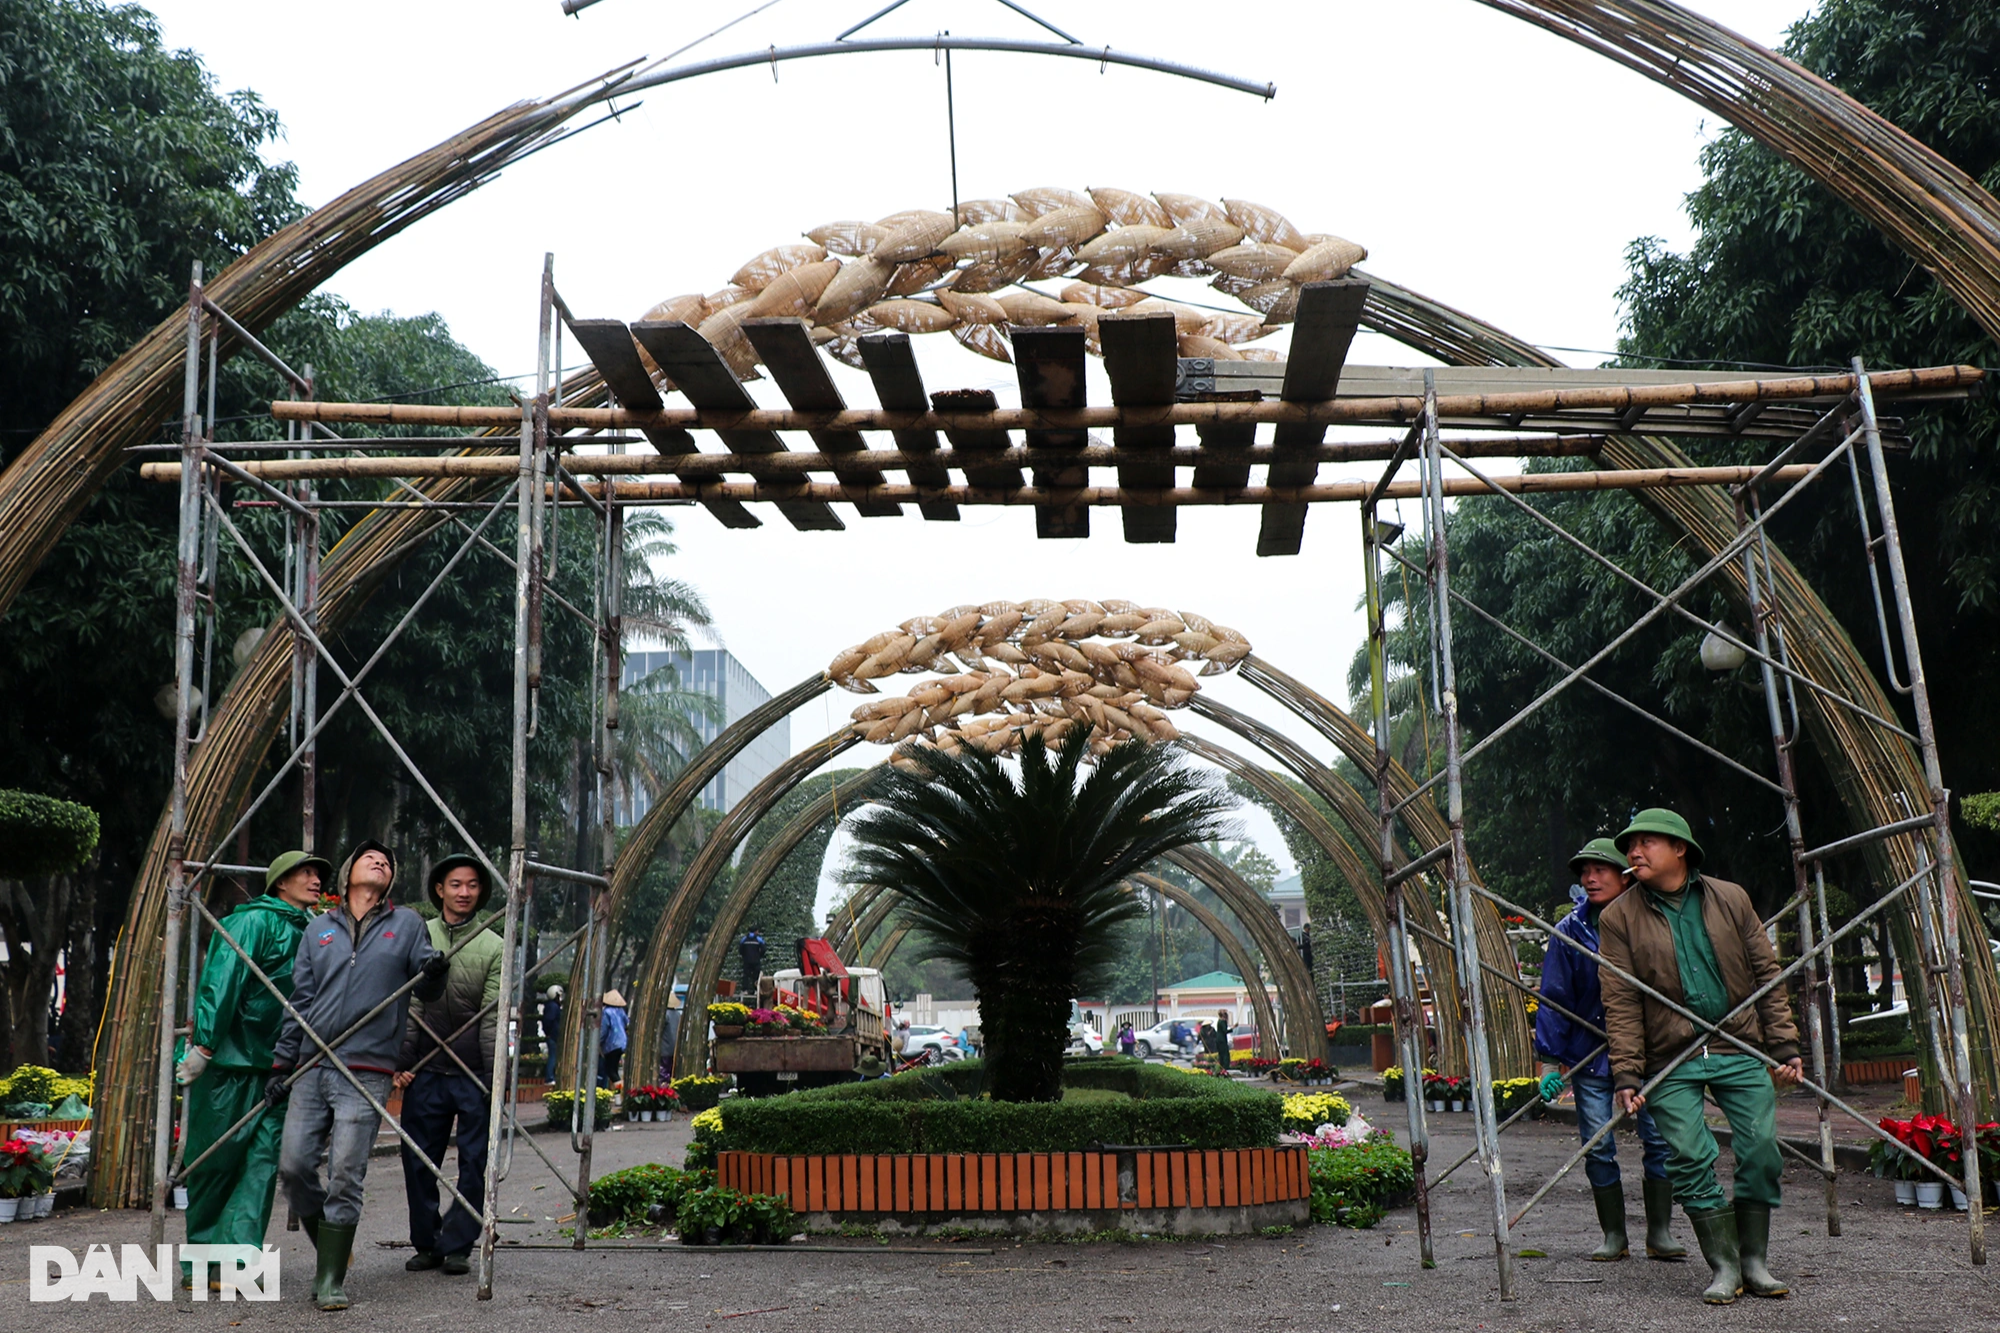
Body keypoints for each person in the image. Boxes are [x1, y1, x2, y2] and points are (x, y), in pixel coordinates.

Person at [1599, 809, 1802, 1305]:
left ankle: (1755, 1260)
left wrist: (1783, 1045)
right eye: (1630, 846)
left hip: (1738, 1044)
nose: (1634, 853)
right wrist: (1626, 1072)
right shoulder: (1617, 917)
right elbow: (1621, 1000)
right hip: (1671, 1058)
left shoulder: (1730, 898)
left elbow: (1767, 975)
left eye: (1646, 843)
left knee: (1760, 1152)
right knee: (1689, 1157)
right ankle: (1725, 1264)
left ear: (1680, 849)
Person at [270, 840, 447, 1311]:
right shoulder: (318, 930)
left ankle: (327, 1278)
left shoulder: (407, 923)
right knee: (293, 1166)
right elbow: (300, 1000)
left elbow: (427, 985)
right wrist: (282, 1063)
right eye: (371, 857)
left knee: (346, 1173)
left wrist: (435, 971)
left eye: (388, 860)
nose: (381, 861)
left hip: (367, 1069)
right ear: (348, 874)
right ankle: (333, 1246)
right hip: (312, 1063)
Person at [174, 850, 328, 1290]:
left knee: (262, 1163)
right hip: (229, 1062)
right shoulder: (254, 921)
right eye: (306, 872)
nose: (315, 879)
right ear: (280, 881)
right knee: (215, 1161)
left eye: (319, 873)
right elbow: (222, 979)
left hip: (280, 1066)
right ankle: (201, 1264)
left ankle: (237, 1261)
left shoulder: (315, 931)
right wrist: (204, 1042)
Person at [1534, 838, 1686, 1263]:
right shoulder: (1570, 932)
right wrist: (1549, 1062)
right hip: (1591, 1054)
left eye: (1600, 869)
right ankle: (1614, 1235)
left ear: (1625, 875)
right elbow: (1555, 997)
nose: (1590, 878)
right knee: (1598, 1144)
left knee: (1660, 1140)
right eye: (1585, 871)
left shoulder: (1652, 920)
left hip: (1649, 1052)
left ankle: (1659, 1232)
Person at [395, 854, 503, 1277]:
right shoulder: (419, 938)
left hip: (472, 1071)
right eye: (455, 884)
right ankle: (427, 1242)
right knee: (418, 1159)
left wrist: (494, 1079)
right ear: (439, 889)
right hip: (427, 1071)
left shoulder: (493, 944)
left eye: (473, 885)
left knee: (475, 1161)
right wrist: (401, 1063)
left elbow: (493, 1016)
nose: (464, 892)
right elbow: (411, 1006)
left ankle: (459, 1244)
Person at [599, 990, 629, 1089]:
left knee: (610, 1071)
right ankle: (617, 1091)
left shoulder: (606, 1012)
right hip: (622, 1043)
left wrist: (598, 1041)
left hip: (611, 1044)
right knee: (614, 1069)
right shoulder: (621, 1011)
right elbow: (627, 1024)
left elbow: (604, 1029)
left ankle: (620, 1091)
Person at [540, 984, 564, 1074]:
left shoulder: (551, 1006)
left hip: (553, 1034)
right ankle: (550, 1077)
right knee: (553, 1056)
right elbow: (549, 1020)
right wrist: (550, 1033)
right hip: (553, 1035)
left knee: (554, 1056)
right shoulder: (553, 1006)